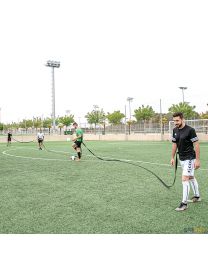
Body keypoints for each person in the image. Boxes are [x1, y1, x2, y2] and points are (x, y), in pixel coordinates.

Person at [170, 112, 201, 211]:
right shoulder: (175, 130)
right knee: (191, 176)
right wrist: (172, 157)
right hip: (181, 158)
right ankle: (197, 196)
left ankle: (184, 203)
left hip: (190, 158)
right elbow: (174, 144)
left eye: (177, 120)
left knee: (185, 179)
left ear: (183, 119)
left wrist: (197, 160)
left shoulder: (190, 130)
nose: (175, 122)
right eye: (174, 120)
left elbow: (196, 145)